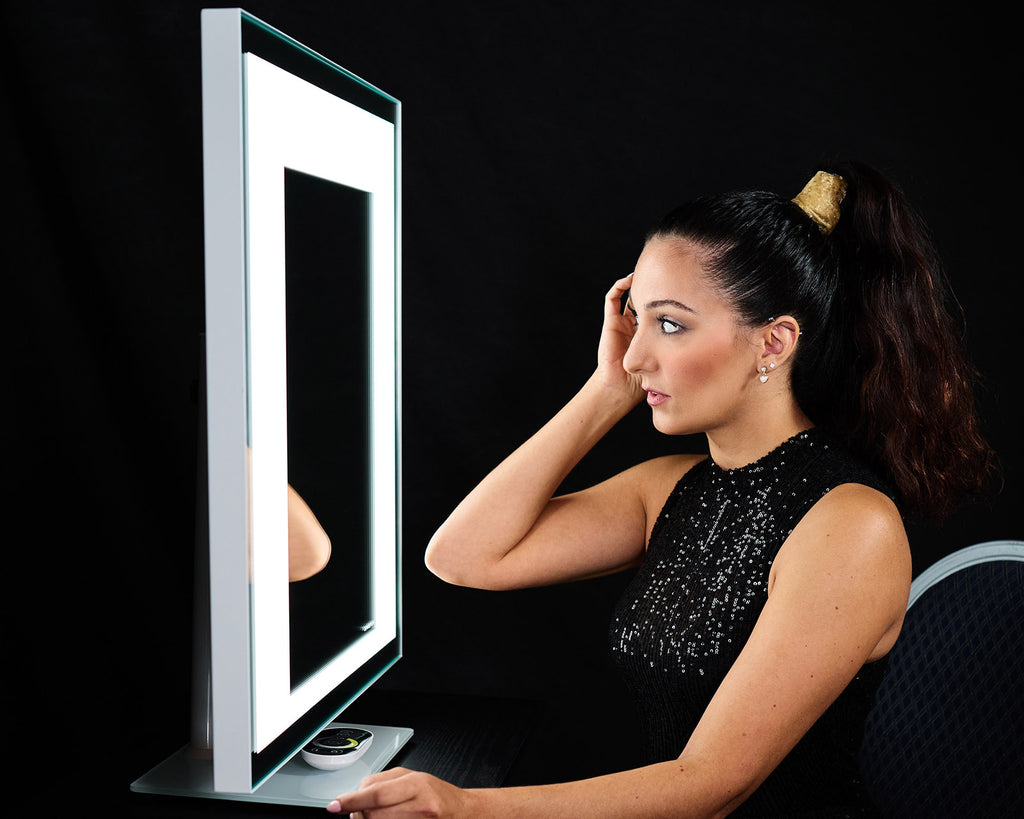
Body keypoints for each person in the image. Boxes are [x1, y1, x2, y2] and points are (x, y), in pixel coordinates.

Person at [326, 161, 994, 817]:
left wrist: (468, 807)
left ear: (774, 343)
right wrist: (604, 392)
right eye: (635, 317)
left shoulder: (850, 524)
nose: (635, 353)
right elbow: (464, 556)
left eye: (670, 324)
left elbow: (712, 785)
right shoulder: (670, 488)